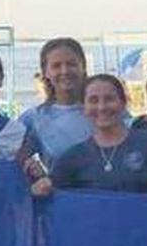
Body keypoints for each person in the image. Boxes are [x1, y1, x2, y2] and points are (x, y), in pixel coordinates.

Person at [32, 73, 147, 196]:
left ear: (123, 103)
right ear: (83, 108)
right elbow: (46, 194)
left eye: (109, 99)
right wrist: (37, 188)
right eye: (93, 100)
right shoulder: (73, 157)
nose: (102, 107)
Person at [12, 37, 93, 171]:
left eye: (71, 64)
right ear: (46, 72)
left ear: (83, 67)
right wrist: (38, 178)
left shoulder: (104, 111)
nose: (65, 71)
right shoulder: (33, 119)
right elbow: (15, 166)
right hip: (62, 191)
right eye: (56, 66)